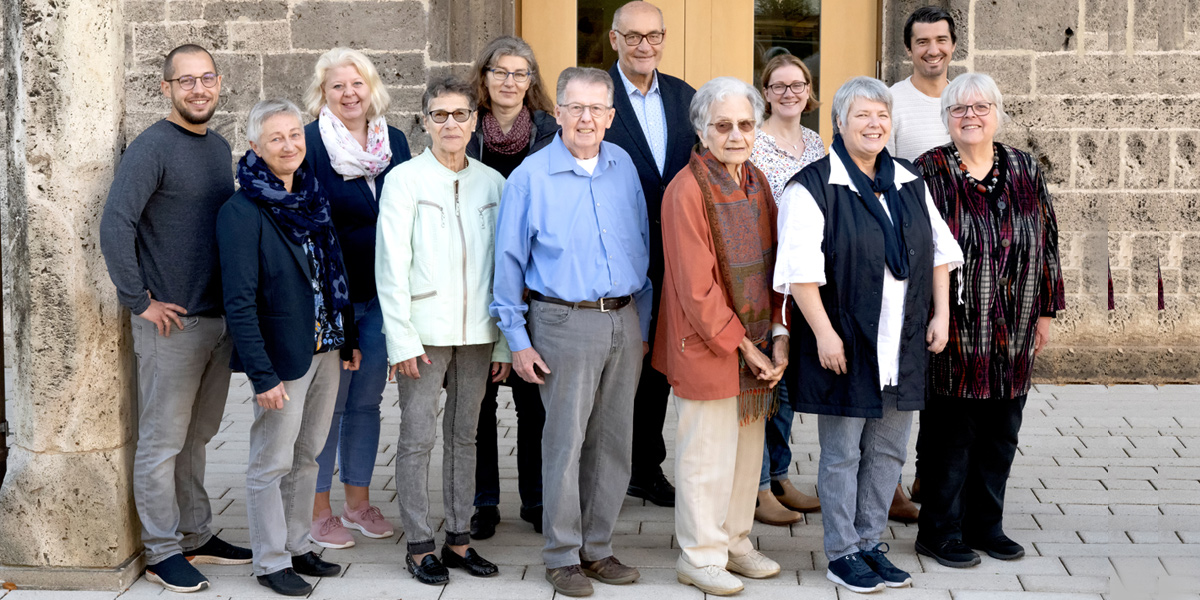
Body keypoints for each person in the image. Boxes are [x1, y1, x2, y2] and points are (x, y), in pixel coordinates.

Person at [774, 77, 963, 594]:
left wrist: (941, 316)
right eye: (862, 115)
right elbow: (799, 274)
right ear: (839, 122)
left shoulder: (908, 180)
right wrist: (825, 335)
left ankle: (868, 543)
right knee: (842, 454)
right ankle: (840, 554)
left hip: (901, 343)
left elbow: (942, 255)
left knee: (887, 454)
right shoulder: (812, 186)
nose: (874, 124)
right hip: (848, 342)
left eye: (882, 115)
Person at [492, 67, 651, 598]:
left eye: (597, 109)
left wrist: (641, 323)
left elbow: (641, 244)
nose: (586, 118)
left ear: (611, 116)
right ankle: (562, 555)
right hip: (562, 319)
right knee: (564, 442)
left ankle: (598, 548)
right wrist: (517, 339)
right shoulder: (530, 178)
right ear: (557, 112)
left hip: (623, 319)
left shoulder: (622, 165)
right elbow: (508, 265)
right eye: (575, 108)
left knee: (614, 442)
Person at [99, 44, 251, 594]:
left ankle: (196, 533)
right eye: (185, 81)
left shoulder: (219, 147)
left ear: (218, 82)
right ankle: (163, 551)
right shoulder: (152, 147)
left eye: (206, 78)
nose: (198, 89)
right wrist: (140, 301)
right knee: (162, 442)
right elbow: (115, 224)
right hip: (171, 325)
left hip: (215, 320)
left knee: (198, 436)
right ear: (166, 88)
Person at [913, 73, 1065, 569]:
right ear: (946, 118)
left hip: (1016, 326)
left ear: (997, 113)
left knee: (1002, 432)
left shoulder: (1024, 167)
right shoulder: (927, 171)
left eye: (980, 107)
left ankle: (986, 525)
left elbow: (1047, 238)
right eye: (959, 109)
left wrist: (1046, 308)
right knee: (950, 436)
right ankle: (938, 531)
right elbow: (920, 251)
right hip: (956, 328)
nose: (970, 116)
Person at [217, 98, 359, 597]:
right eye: (276, 137)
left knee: (309, 456)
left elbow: (333, 274)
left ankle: (298, 545)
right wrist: (262, 374)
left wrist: (348, 339)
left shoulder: (313, 197)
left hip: (326, 348)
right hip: (283, 357)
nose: (289, 145)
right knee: (270, 461)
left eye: (295, 135)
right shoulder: (242, 211)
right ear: (255, 146)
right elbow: (239, 302)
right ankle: (270, 560)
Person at [374, 77, 509, 586]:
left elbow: (504, 267)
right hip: (424, 332)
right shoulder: (404, 180)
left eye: (460, 115)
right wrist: (401, 339)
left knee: (465, 435)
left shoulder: (493, 183)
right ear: (425, 121)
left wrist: (501, 339)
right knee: (416, 437)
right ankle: (417, 543)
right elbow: (391, 266)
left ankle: (458, 538)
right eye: (440, 115)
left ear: (475, 121)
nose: (450, 124)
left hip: (478, 332)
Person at [656, 76, 787, 596]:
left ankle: (734, 542)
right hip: (707, 346)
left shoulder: (756, 181)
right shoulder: (686, 190)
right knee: (705, 458)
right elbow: (695, 287)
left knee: (744, 456)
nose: (736, 134)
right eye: (723, 125)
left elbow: (779, 266)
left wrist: (777, 336)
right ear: (702, 130)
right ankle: (699, 554)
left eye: (746, 124)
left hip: (756, 347)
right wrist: (746, 347)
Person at [302, 47, 412, 550]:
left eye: (356, 84)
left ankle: (358, 502)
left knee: (367, 404)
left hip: (383, 296)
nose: (349, 94)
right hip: (333, 299)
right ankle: (317, 509)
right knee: (330, 406)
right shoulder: (309, 145)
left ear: (372, 88)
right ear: (323, 94)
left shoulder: (396, 142)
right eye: (337, 86)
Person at [465, 35, 560, 540]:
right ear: (484, 77)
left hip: (533, 281)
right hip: (474, 277)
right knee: (478, 402)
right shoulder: (463, 128)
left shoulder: (550, 132)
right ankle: (483, 503)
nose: (509, 82)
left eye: (520, 73)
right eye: (500, 72)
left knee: (532, 399)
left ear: (531, 81)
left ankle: (537, 499)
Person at [605, 0, 698, 508]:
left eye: (654, 36)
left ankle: (646, 467)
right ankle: (603, 470)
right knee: (614, 368)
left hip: (672, 259)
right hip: (613, 257)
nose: (645, 45)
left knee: (657, 367)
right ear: (614, 40)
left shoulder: (686, 98)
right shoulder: (597, 96)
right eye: (634, 36)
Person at [886, 5, 961, 521]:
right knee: (903, 369)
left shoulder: (968, 97)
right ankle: (887, 484)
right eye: (922, 41)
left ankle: (928, 473)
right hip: (912, 254)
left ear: (953, 43)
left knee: (947, 374)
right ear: (907, 48)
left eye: (941, 39)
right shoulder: (892, 101)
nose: (932, 49)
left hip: (967, 253)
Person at [748, 51, 825, 528]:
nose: (789, 93)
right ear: (766, 93)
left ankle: (780, 475)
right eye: (779, 86)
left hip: (803, 277)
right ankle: (755, 489)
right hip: (761, 275)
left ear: (809, 89)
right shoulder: (753, 143)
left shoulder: (818, 144)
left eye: (797, 84)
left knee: (790, 387)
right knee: (764, 383)